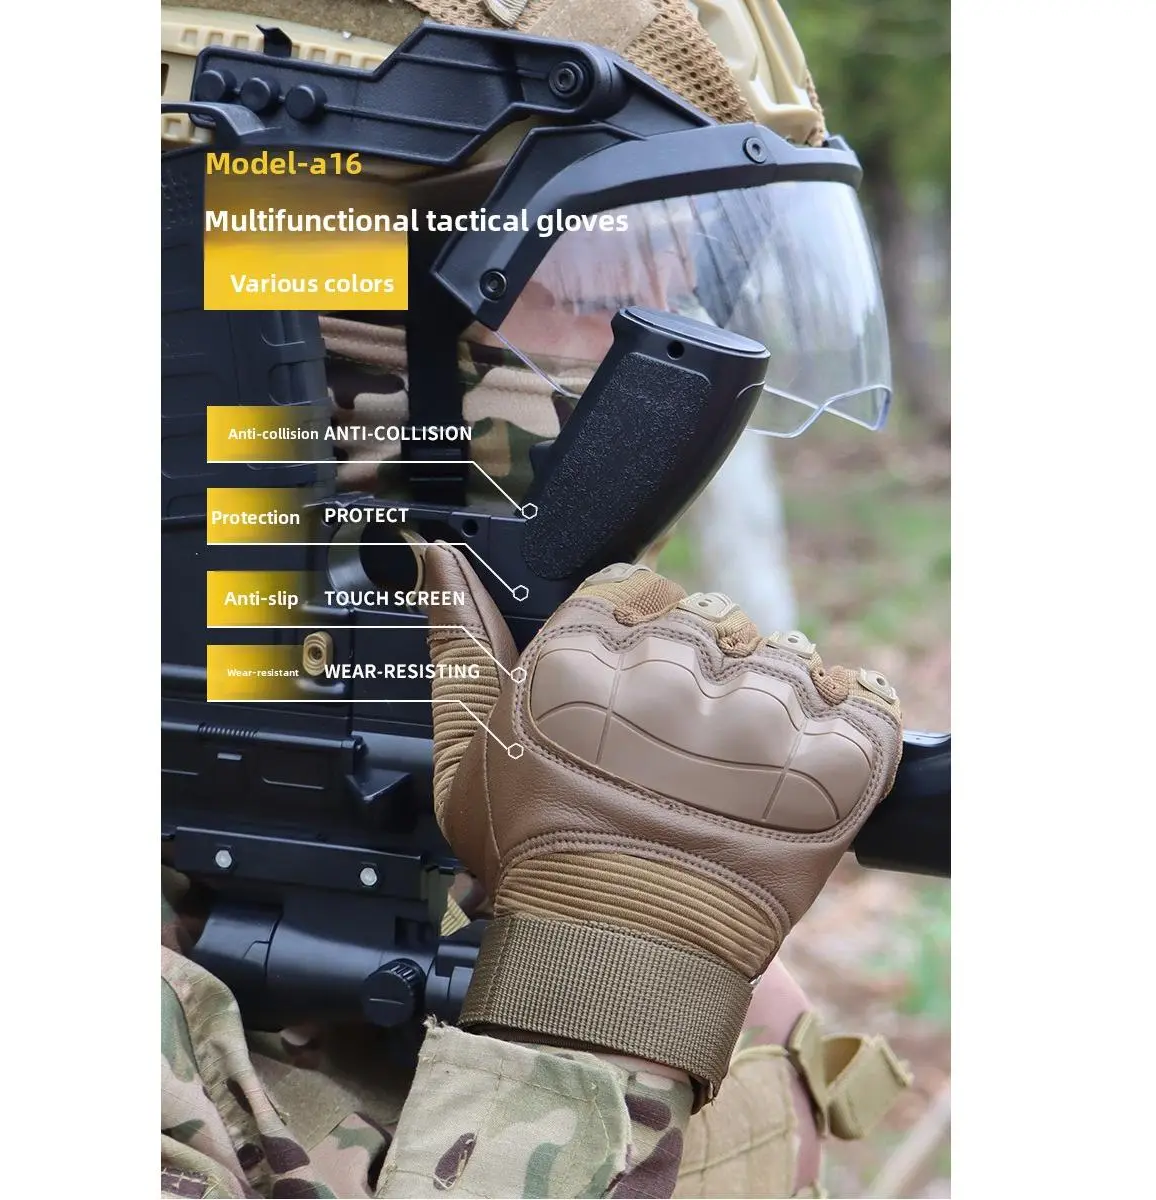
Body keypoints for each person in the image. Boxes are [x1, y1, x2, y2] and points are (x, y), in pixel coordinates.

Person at [161, 2, 913, 1196]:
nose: (660, 333)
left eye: (701, 264)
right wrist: (594, 1004)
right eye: (604, 260)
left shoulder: (509, 811)